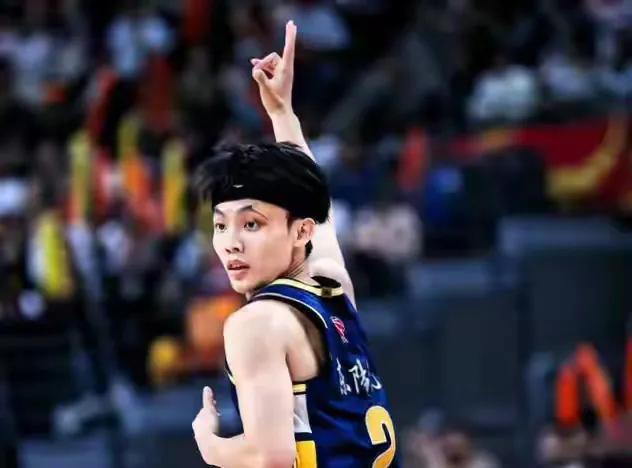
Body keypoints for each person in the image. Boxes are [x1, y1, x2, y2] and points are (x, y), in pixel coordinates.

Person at [191, 21, 399, 467]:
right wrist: (283, 113)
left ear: (298, 232)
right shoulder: (333, 288)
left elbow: (272, 458)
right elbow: (316, 208)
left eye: (251, 225)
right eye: (221, 226)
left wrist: (210, 445)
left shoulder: (256, 324)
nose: (230, 244)